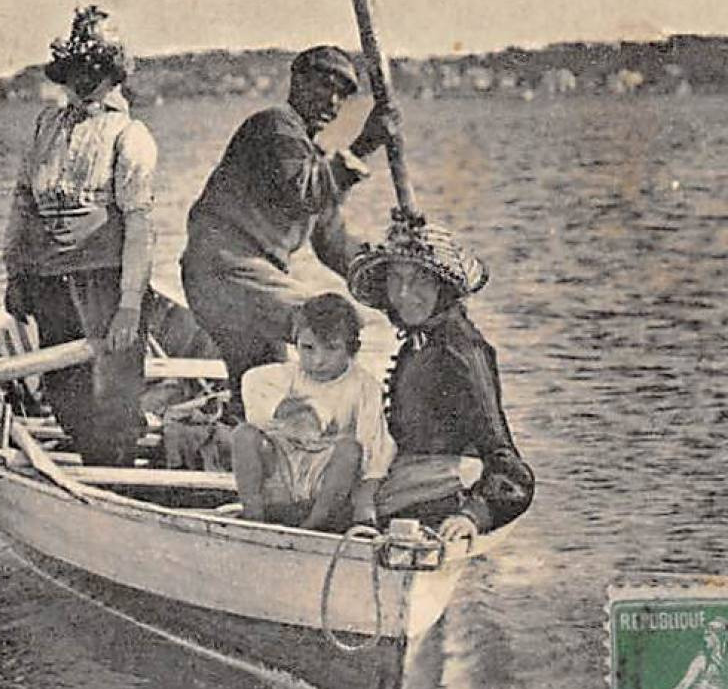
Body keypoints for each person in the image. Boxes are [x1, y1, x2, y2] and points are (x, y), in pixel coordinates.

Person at [181, 45, 395, 418]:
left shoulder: (312, 158)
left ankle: (234, 448)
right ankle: (354, 419)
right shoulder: (274, 126)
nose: (332, 100)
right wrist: (364, 145)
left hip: (245, 283)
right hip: (223, 269)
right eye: (323, 85)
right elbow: (306, 192)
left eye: (342, 95)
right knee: (331, 320)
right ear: (297, 81)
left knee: (263, 391)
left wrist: (390, 279)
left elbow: (333, 244)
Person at [2, 6, 157, 466]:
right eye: (77, 71)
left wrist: (130, 304)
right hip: (49, 279)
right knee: (62, 386)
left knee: (114, 393)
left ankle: (117, 471)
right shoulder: (46, 127)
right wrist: (15, 273)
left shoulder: (130, 135)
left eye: (97, 70)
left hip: (106, 280)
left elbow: (140, 226)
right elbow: (24, 203)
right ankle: (92, 461)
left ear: (114, 75)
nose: (85, 81)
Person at [346, 220, 535, 545]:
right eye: (396, 279)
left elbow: (511, 469)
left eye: (420, 280)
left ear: (442, 287)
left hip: (441, 493)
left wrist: (471, 516)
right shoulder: (419, 343)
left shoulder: (460, 350)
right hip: (404, 484)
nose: (404, 294)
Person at [232, 293, 394, 531]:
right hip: (284, 470)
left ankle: (313, 524)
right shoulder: (284, 377)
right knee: (244, 434)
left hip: (324, 476)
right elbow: (254, 397)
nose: (318, 360)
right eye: (307, 348)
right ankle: (253, 517)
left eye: (331, 349)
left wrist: (365, 501)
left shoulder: (364, 386)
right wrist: (283, 413)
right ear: (295, 344)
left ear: (353, 349)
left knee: (350, 450)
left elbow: (375, 446)